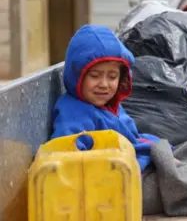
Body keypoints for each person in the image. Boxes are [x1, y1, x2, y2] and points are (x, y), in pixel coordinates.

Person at [50, 25, 165, 172]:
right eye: (95, 76)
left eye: (112, 77)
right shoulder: (73, 112)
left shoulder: (111, 106)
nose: (104, 84)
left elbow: (134, 139)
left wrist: (157, 150)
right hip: (120, 181)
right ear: (77, 75)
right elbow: (68, 158)